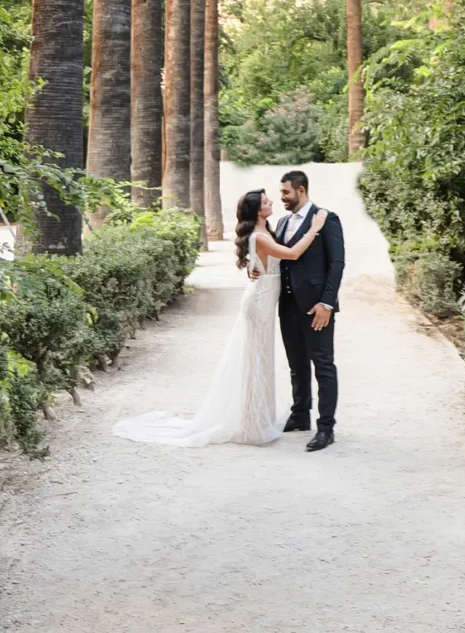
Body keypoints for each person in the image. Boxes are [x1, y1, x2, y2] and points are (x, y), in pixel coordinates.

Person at [111, 188, 327, 448]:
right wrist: (314, 228)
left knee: (261, 360)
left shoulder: (265, 231)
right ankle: (252, 423)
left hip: (265, 301)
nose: (271, 202)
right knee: (255, 361)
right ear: (257, 210)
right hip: (259, 305)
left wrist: (254, 268)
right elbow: (292, 254)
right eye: (266, 201)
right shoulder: (259, 235)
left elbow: (264, 262)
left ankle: (258, 416)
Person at [274, 169, 345, 452]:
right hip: (288, 305)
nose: (282, 198)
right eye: (281, 193)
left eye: (286, 193)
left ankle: (325, 428)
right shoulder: (281, 223)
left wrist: (327, 303)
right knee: (296, 364)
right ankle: (300, 415)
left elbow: (337, 264)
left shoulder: (327, 219)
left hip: (317, 307)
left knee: (323, 366)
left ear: (300, 191)